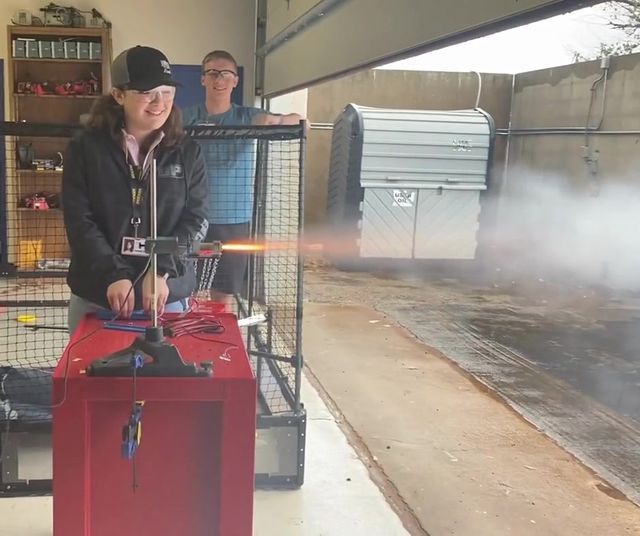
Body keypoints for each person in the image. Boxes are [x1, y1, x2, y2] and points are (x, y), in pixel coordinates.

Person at [63, 45, 209, 334]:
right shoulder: (85, 149)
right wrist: (113, 274)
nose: (159, 102)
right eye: (146, 92)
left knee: (165, 378)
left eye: (167, 91)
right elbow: (79, 220)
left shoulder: (188, 152)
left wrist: (161, 269)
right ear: (118, 95)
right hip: (97, 294)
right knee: (90, 376)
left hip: (166, 296)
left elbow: (197, 218)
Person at [182, 50, 302, 309]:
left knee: (222, 294)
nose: (219, 79)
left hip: (234, 220)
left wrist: (279, 120)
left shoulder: (248, 116)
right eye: (212, 72)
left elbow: (301, 122)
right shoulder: (185, 117)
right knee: (185, 290)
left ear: (235, 80)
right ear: (202, 79)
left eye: (226, 73)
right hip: (191, 217)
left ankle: (217, 345)